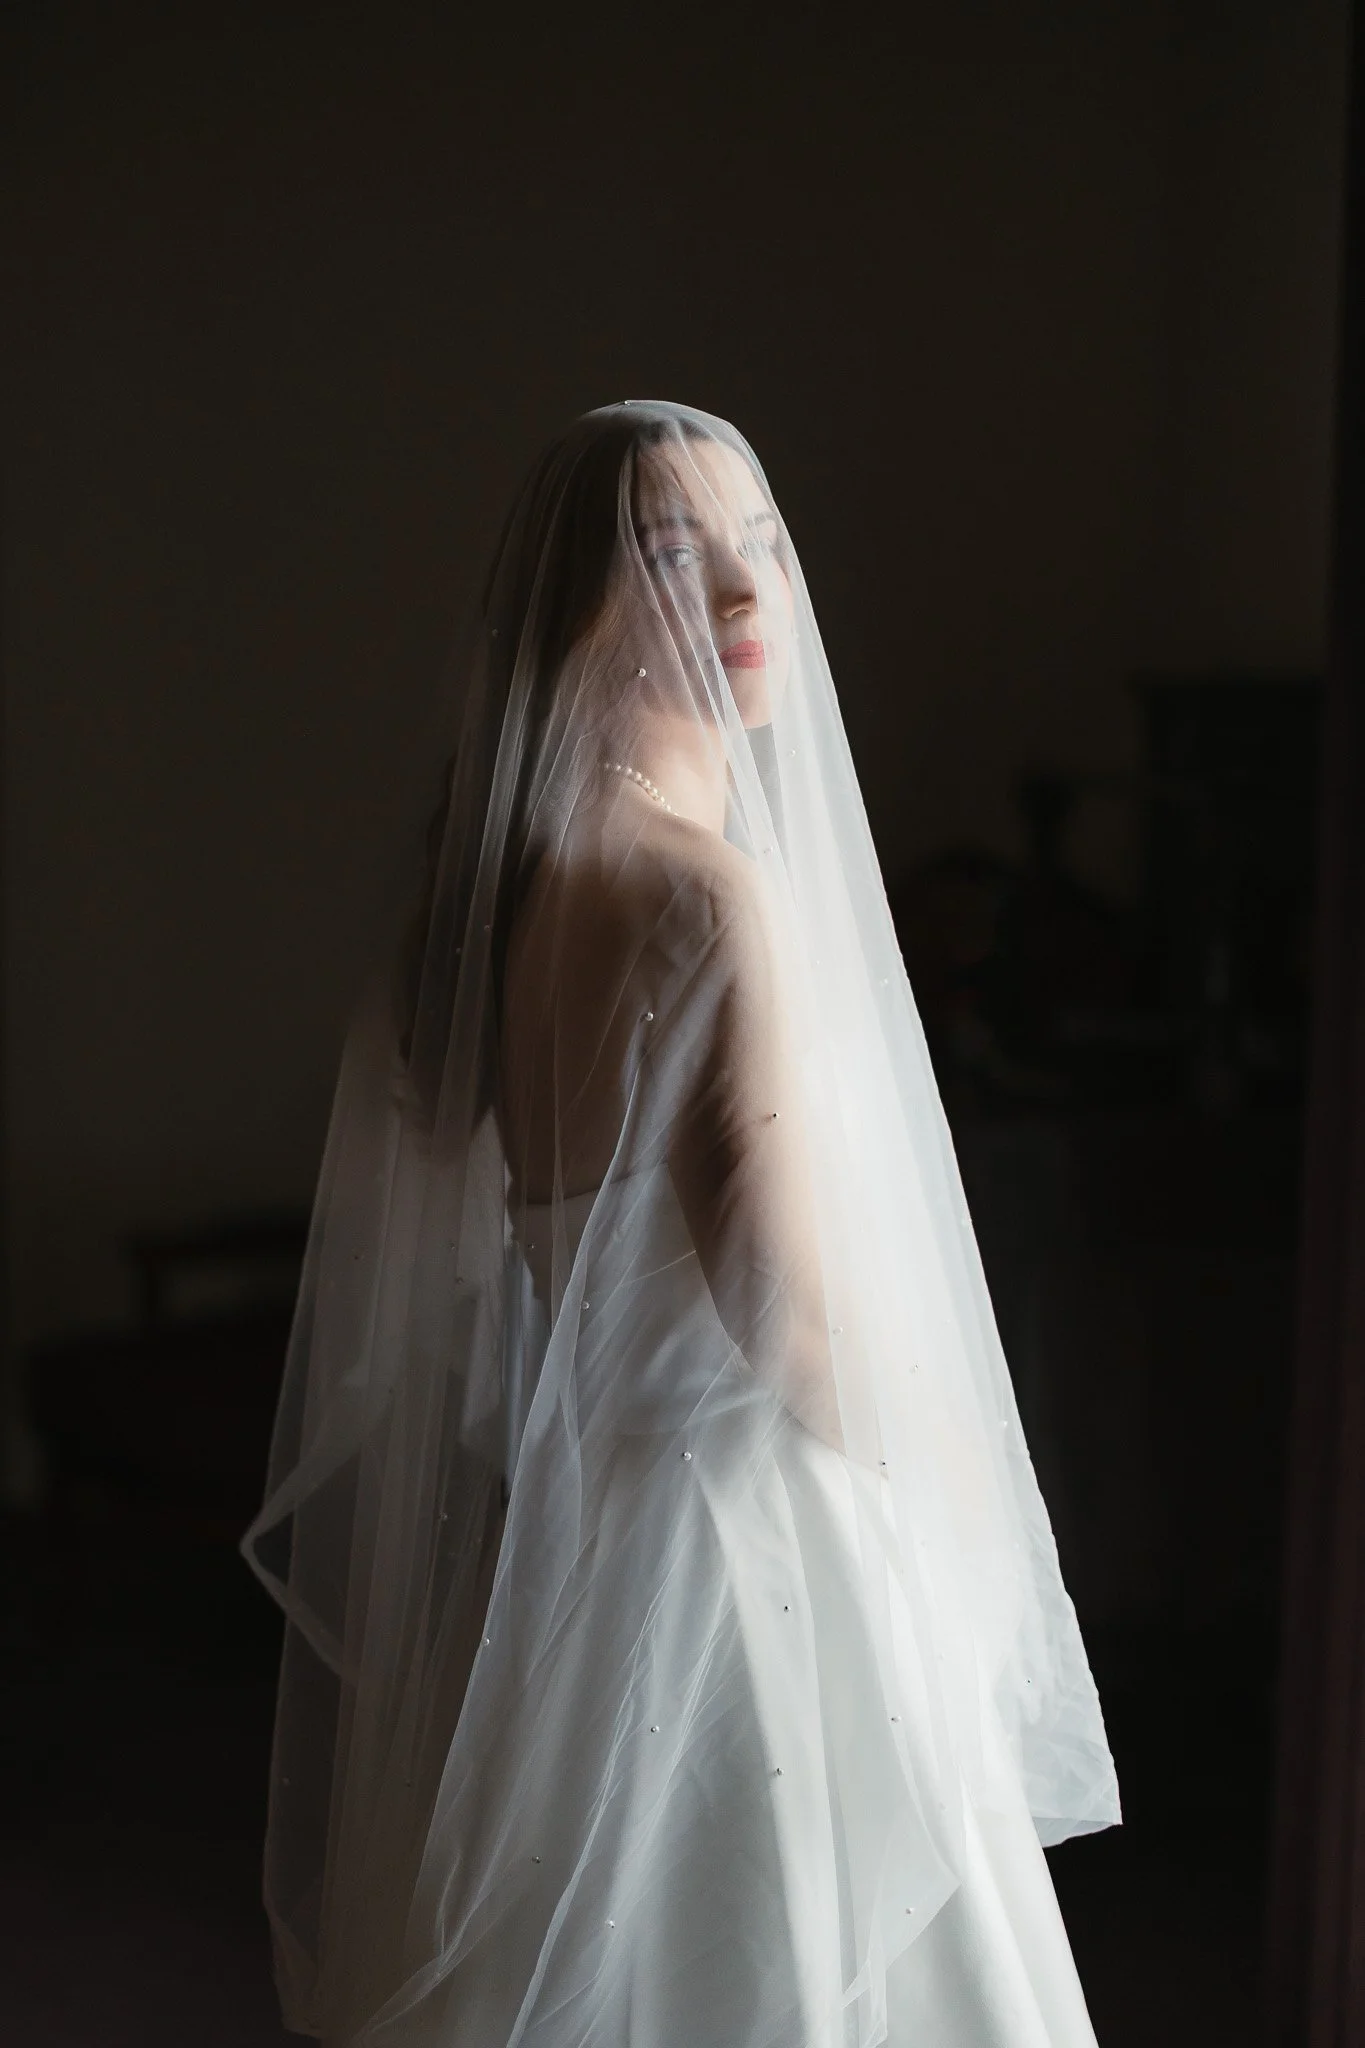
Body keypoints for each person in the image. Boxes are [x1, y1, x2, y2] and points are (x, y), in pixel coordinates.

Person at [241, 399, 1120, 2047]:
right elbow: (773, 1302)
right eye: (669, 555)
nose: (742, 591)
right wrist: (950, 1470)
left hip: (587, 1547)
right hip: (751, 1551)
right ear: (573, 610)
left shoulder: (513, 895)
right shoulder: (709, 894)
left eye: (762, 544)